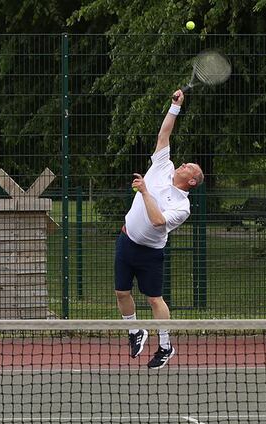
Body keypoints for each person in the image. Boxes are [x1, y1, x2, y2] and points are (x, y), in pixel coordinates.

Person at [115, 89, 204, 369]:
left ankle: (165, 346)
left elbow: (157, 221)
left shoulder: (182, 207)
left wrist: (144, 192)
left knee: (154, 298)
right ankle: (135, 332)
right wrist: (174, 107)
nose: (185, 163)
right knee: (121, 293)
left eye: (190, 167)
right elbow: (163, 135)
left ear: (191, 181)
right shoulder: (164, 166)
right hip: (126, 239)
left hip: (150, 253)